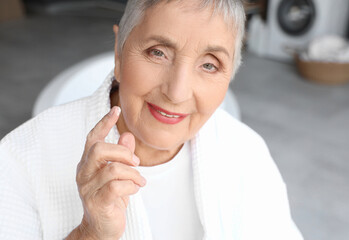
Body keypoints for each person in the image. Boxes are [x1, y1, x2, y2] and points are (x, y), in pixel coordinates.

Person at [0, 0, 303, 239]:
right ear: (119, 53)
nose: (177, 92)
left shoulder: (248, 154)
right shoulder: (20, 159)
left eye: (210, 65)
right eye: (158, 52)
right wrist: (91, 234)